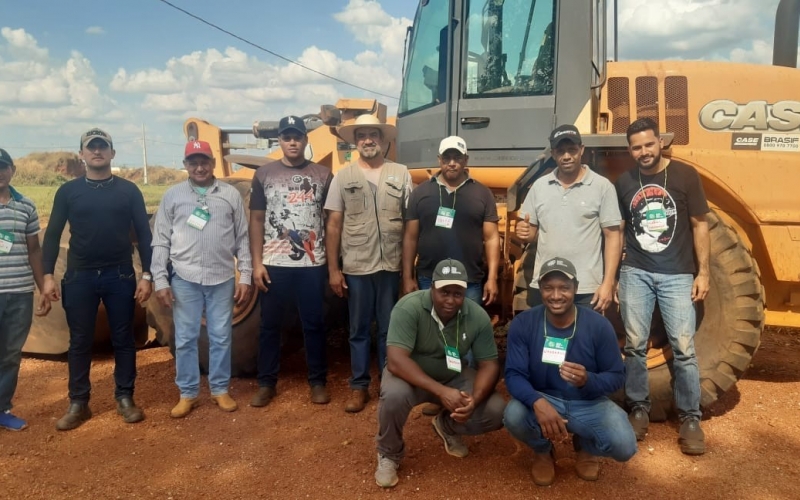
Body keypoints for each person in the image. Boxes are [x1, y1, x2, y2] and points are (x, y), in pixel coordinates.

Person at [42, 128, 153, 431]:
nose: (97, 152)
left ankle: (125, 398)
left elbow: (144, 234)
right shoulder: (68, 192)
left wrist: (147, 274)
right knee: (79, 341)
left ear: (112, 153)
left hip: (120, 275)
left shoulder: (129, 191)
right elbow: (51, 236)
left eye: (103, 147)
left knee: (123, 339)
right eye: (91, 147)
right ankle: (79, 403)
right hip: (80, 276)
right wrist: (48, 276)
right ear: (82, 154)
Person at [615, 117, 710, 455]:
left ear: (660, 143)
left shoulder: (685, 176)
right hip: (636, 273)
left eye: (649, 144)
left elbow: (700, 225)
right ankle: (638, 409)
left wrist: (704, 274)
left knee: (684, 348)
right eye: (637, 147)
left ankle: (690, 418)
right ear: (630, 150)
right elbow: (618, 232)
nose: (644, 151)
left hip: (677, 275)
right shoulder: (624, 181)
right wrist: (615, 276)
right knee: (636, 346)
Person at [503, 257, 636, 486]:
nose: (556, 295)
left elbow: (617, 376)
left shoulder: (598, 326)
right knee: (513, 415)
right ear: (540, 290)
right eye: (548, 288)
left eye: (564, 288)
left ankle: (586, 448)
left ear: (575, 288)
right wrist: (537, 402)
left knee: (625, 446)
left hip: (588, 402)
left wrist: (588, 380)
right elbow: (513, 374)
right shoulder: (524, 323)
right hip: (545, 398)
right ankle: (543, 452)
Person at [374, 258, 506, 488]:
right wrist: (441, 392)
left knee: (496, 410)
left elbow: (489, 364)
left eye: (457, 293)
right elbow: (396, 361)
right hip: (410, 376)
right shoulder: (409, 307)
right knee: (393, 395)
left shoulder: (476, 316)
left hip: (452, 375)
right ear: (432, 287)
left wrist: (473, 401)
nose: (451, 300)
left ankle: (446, 426)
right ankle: (389, 453)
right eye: (444, 292)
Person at [151, 140, 252, 418]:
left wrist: (245, 276)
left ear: (213, 163)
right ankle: (188, 393)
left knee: (221, 336)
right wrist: (160, 279)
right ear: (185, 165)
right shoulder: (172, 196)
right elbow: (160, 240)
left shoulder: (230, 195)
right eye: (193, 162)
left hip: (221, 278)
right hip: (185, 278)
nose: (199, 167)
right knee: (185, 338)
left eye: (204, 161)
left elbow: (243, 238)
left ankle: (220, 389)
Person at [325, 115, 412, 413]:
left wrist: (408, 270)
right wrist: (334, 270)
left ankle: (389, 383)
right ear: (355, 141)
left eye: (373, 134)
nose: (367, 139)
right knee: (359, 329)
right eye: (361, 135)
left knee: (390, 329)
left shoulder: (400, 173)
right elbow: (334, 224)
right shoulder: (343, 176)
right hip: (358, 266)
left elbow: (411, 225)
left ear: (383, 139)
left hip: (391, 266)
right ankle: (359, 386)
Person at [249, 116, 333, 407]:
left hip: (312, 263)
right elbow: (257, 220)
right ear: (280, 141)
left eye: (297, 136)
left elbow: (331, 221)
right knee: (270, 325)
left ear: (306, 140)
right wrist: (257, 264)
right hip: (274, 263)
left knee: (314, 323)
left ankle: (318, 381)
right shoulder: (263, 174)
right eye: (287, 137)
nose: (293, 142)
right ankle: (266, 383)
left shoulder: (323, 175)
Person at [516, 124, 622, 312]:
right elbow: (531, 234)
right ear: (553, 153)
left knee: (585, 340)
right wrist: (524, 232)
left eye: (572, 150)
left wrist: (608, 283)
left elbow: (613, 237)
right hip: (547, 286)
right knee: (546, 340)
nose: (566, 156)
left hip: (586, 287)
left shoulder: (602, 187)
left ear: (581, 150)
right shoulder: (539, 187)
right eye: (561, 151)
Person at [402, 136, 500, 305]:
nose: (452, 163)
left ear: (466, 160)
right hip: (429, 278)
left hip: (469, 280)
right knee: (429, 329)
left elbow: (492, 238)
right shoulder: (420, 193)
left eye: (457, 158)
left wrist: (492, 278)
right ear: (439, 160)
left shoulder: (482, 193)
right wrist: (407, 277)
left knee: (467, 330)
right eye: (447, 158)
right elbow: (410, 238)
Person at [0, 148, 51, 431]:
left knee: (10, 353)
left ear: (12, 170)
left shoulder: (26, 207)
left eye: (3, 166)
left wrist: (43, 287)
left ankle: (2, 408)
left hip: (19, 292)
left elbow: (34, 251)